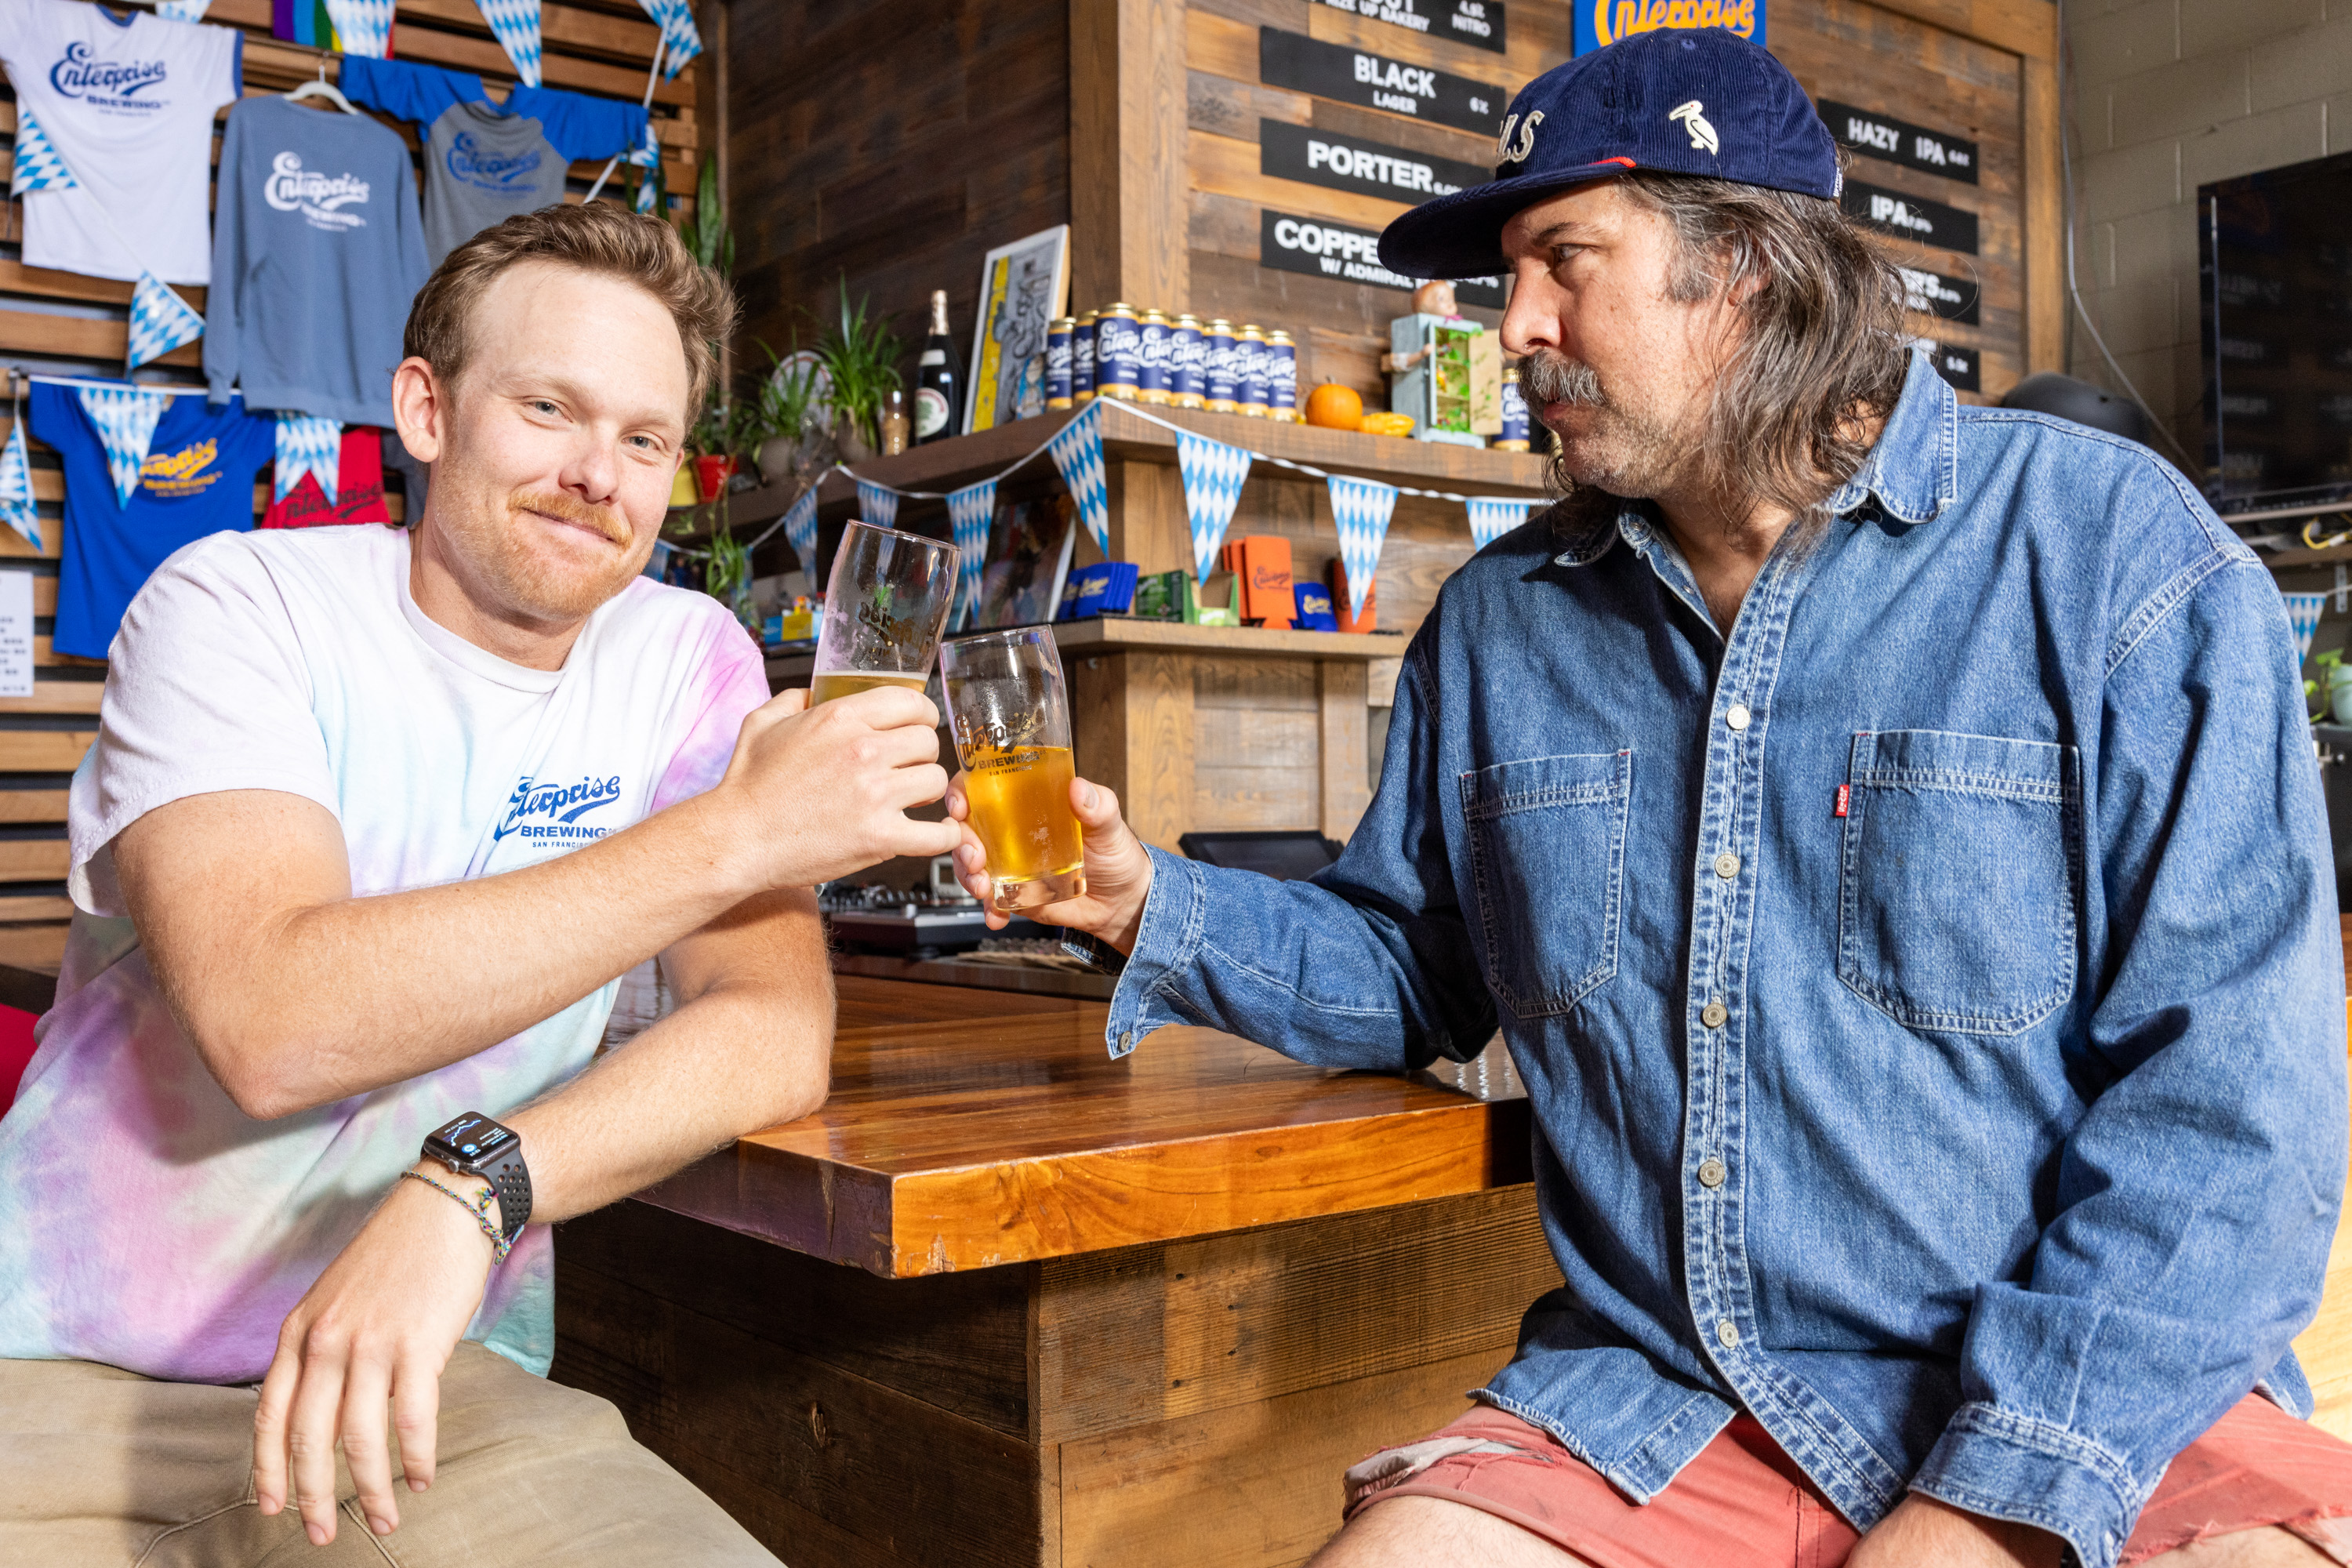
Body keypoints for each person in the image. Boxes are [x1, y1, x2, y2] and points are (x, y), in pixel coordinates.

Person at [949, 30, 2352, 1568]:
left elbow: (2237, 1124)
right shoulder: (1503, 621)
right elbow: (1414, 965)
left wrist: (1983, 1505)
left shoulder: (2110, 555)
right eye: (1508, 274)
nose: (1518, 326)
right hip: (1667, 1408)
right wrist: (1146, 898)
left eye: (1566, 260)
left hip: (2108, 1405)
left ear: (1746, 267)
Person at [0, 202, 961, 1563]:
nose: (598, 475)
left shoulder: (684, 657)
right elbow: (276, 1024)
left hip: (428, 1392)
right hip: (64, 1381)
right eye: (550, 409)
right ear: (427, 409)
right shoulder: (234, 605)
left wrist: (479, 1186)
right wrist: (740, 834)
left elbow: (771, 1032)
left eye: (644, 440)